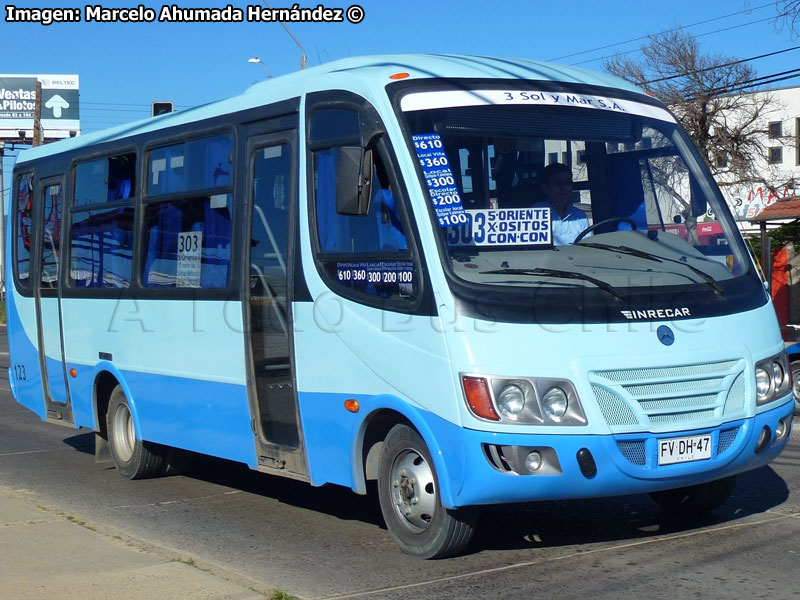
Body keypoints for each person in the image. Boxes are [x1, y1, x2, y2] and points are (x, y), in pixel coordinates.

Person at [535, 163, 590, 245]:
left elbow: (588, 250)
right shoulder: (535, 214)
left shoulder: (580, 217)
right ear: (545, 188)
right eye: (558, 182)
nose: (564, 187)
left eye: (567, 182)